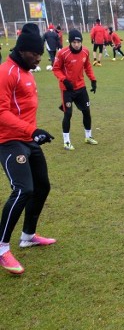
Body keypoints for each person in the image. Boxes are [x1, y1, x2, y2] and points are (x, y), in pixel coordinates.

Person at [0, 23, 56, 275]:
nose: (39, 59)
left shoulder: (27, 70)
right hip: (8, 141)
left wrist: (34, 133)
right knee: (23, 189)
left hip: (27, 139)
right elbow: (1, 112)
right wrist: (31, 131)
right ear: (23, 51)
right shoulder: (6, 72)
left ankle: (28, 236)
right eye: (36, 55)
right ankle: (1, 248)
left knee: (42, 186)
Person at [52, 29, 98, 151]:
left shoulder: (86, 51)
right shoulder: (62, 53)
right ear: (70, 42)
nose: (76, 44)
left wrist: (93, 80)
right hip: (67, 89)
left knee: (86, 111)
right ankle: (66, 141)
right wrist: (64, 80)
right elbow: (56, 69)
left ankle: (88, 137)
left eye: (78, 42)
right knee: (68, 114)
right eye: (74, 42)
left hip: (81, 87)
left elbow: (87, 66)